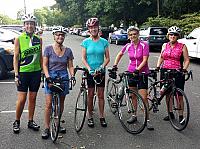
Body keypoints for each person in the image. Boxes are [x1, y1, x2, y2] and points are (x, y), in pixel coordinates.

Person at [113, 26, 154, 130]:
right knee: (133, 96)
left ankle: (147, 120)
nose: (132, 36)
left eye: (134, 34)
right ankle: (134, 115)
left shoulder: (144, 45)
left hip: (142, 73)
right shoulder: (128, 46)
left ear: (138, 34)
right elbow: (120, 54)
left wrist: (138, 70)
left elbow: (145, 60)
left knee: (144, 97)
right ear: (128, 36)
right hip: (131, 72)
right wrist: (115, 65)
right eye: (130, 35)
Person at [41, 26, 75, 139]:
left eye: (62, 35)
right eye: (58, 34)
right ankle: (46, 127)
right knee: (49, 103)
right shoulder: (48, 49)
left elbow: (70, 65)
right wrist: (47, 76)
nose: (60, 36)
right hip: (51, 77)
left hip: (63, 77)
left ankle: (57, 123)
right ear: (54, 36)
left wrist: (73, 75)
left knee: (60, 103)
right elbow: (44, 65)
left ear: (64, 36)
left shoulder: (68, 50)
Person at [13, 14, 42, 133]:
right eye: (27, 23)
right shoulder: (19, 38)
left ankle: (30, 121)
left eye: (32, 23)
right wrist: (16, 74)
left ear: (35, 25)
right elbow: (15, 57)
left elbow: (40, 56)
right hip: (23, 73)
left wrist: (43, 72)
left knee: (33, 98)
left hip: (36, 73)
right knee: (22, 99)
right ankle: (17, 121)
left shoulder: (38, 39)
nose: (29, 25)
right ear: (24, 25)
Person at [156, 26, 190, 122]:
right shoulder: (164, 45)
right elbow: (161, 57)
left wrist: (184, 69)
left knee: (179, 94)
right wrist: (158, 66)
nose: (173, 36)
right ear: (168, 35)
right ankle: (170, 113)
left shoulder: (182, 46)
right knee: (167, 93)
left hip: (178, 72)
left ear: (178, 36)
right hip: (165, 71)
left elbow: (187, 60)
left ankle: (180, 115)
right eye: (171, 34)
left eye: (175, 34)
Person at [81, 17, 110, 127]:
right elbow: (83, 58)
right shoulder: (85, 42)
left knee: (101, 95)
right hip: (90, 71)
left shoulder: (104, 42)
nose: (93, 29)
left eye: (95, 27)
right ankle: (90, 116)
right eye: (91, 27)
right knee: (90, 94)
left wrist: (102, 67)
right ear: (89, 29)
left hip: (100, 71)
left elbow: (107, 58)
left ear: (98, 28)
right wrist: (89, 68)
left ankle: (102, 116)